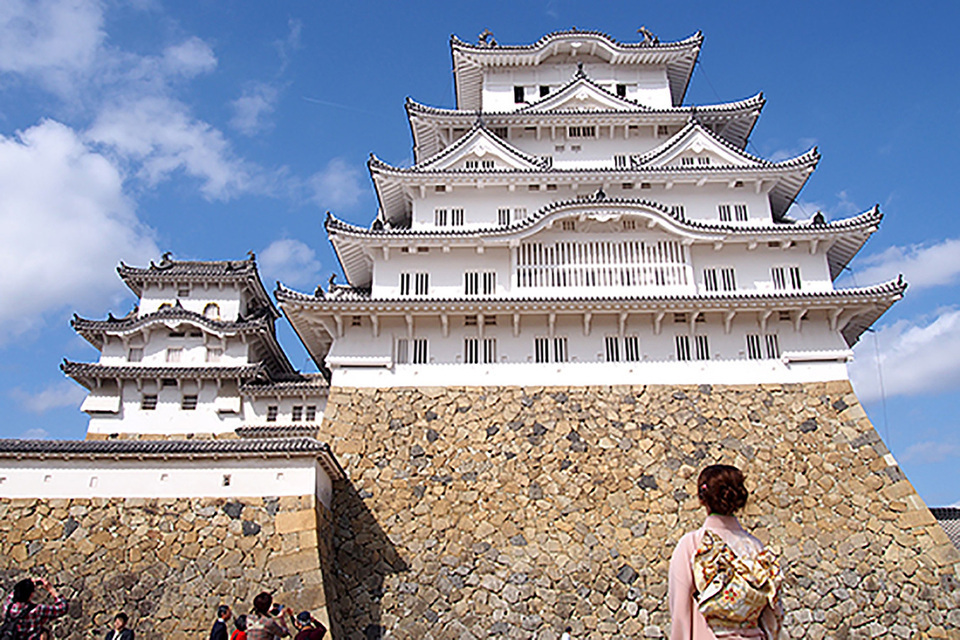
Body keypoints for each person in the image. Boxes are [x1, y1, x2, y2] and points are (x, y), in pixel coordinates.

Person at [668, 464, 784, 640]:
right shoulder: (756, 547)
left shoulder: (692, 544)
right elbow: (773, 608)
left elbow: (680, 611)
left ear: (702, 498)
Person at [1, 577, 68, 640]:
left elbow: (16, 592)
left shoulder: (8, 605)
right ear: (31, 595)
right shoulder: (36, 610)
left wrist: (30, 582)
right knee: (44, 633)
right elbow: (63, 608)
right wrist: (52, 590)